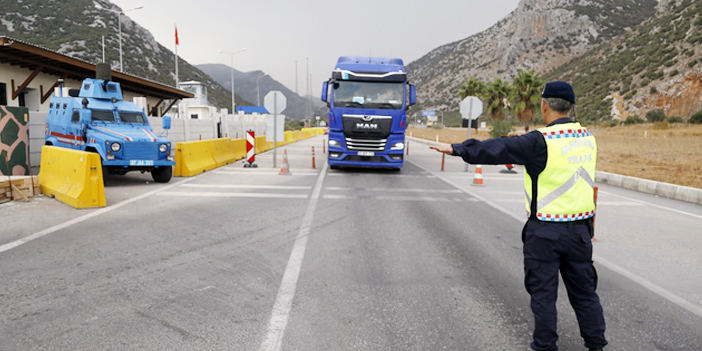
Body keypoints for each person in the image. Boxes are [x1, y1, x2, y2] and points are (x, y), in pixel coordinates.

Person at [430, 81, 607, 351]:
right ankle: (596, 344)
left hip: (545, 233)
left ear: (544, 105)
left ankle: (545, 346)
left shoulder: (539, 141)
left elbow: (498, 149)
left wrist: (457, 149)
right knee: (585, 294)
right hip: (580, 233)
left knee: (544, 296)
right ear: (571, 107)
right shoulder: (587, 138)